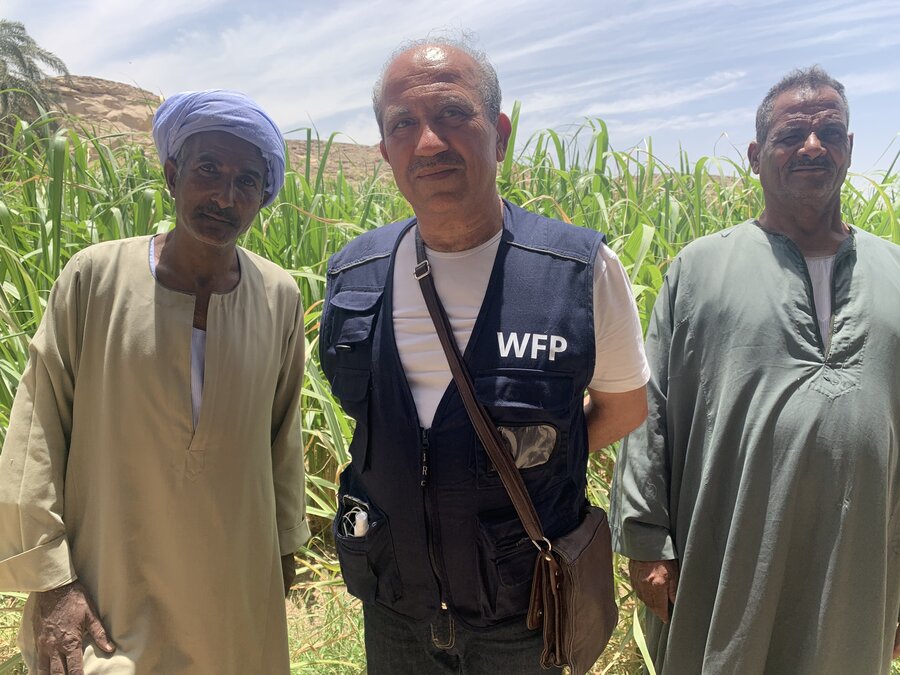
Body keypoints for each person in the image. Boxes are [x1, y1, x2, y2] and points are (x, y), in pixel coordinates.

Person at [319, 38, 650, 673]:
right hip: (395, 611)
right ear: (386, 149)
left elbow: (623, 406)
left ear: (498, 134)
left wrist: (531, 465)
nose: (429, 143)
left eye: (452, 115)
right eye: (404, 125)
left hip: (522, 616)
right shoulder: (353, 273)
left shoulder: (577, 269)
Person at [0, 90, 310, 674]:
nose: (225, 195)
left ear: (264, 197)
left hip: (231, 579)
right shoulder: (95, 277)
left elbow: (283, 432)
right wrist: (51, 580)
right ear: (172, 173)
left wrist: (285, 545)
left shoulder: (278, 297)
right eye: (208, 170)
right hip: (109, 580)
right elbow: (38, 428)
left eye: (247, 180)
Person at [610, 66, 900, 674]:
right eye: (792, 133)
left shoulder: (895, 272)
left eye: (831, 132)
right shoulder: (700, 269)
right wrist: (645, 545)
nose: (813, 146)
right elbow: (648, 407)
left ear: (849, 148)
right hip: (730, 552)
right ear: (755, 154)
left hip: (861, 564)